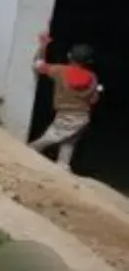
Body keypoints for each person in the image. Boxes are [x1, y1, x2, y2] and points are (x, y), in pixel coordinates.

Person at [29, 32, 101, 171]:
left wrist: (43, 46)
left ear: (69, 56)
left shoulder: (59, 70)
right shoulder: (92, 77)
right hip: (82, 117)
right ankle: (63, 167)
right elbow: (94, 99)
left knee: (48, 139)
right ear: (88, 62)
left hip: (65, 115)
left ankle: (26, 151)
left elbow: (38, 65)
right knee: (68, 143)